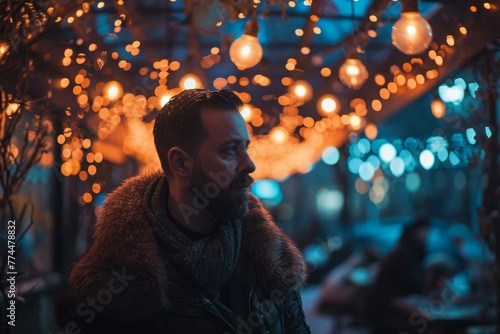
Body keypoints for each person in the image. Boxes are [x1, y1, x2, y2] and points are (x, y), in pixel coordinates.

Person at [68, 89, 310, 334]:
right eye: (229, 149)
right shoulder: (116, 286)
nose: (249, 164)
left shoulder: (269, 261)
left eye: (245, 148)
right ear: (180, 163)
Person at [364, 218, 431, 334]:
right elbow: (415, 285)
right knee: (426, 324)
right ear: (418, 231)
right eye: (426, 231)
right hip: (387, 312)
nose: (427, 236)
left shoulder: (403, 251)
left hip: (383, 309)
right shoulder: (405, 255)